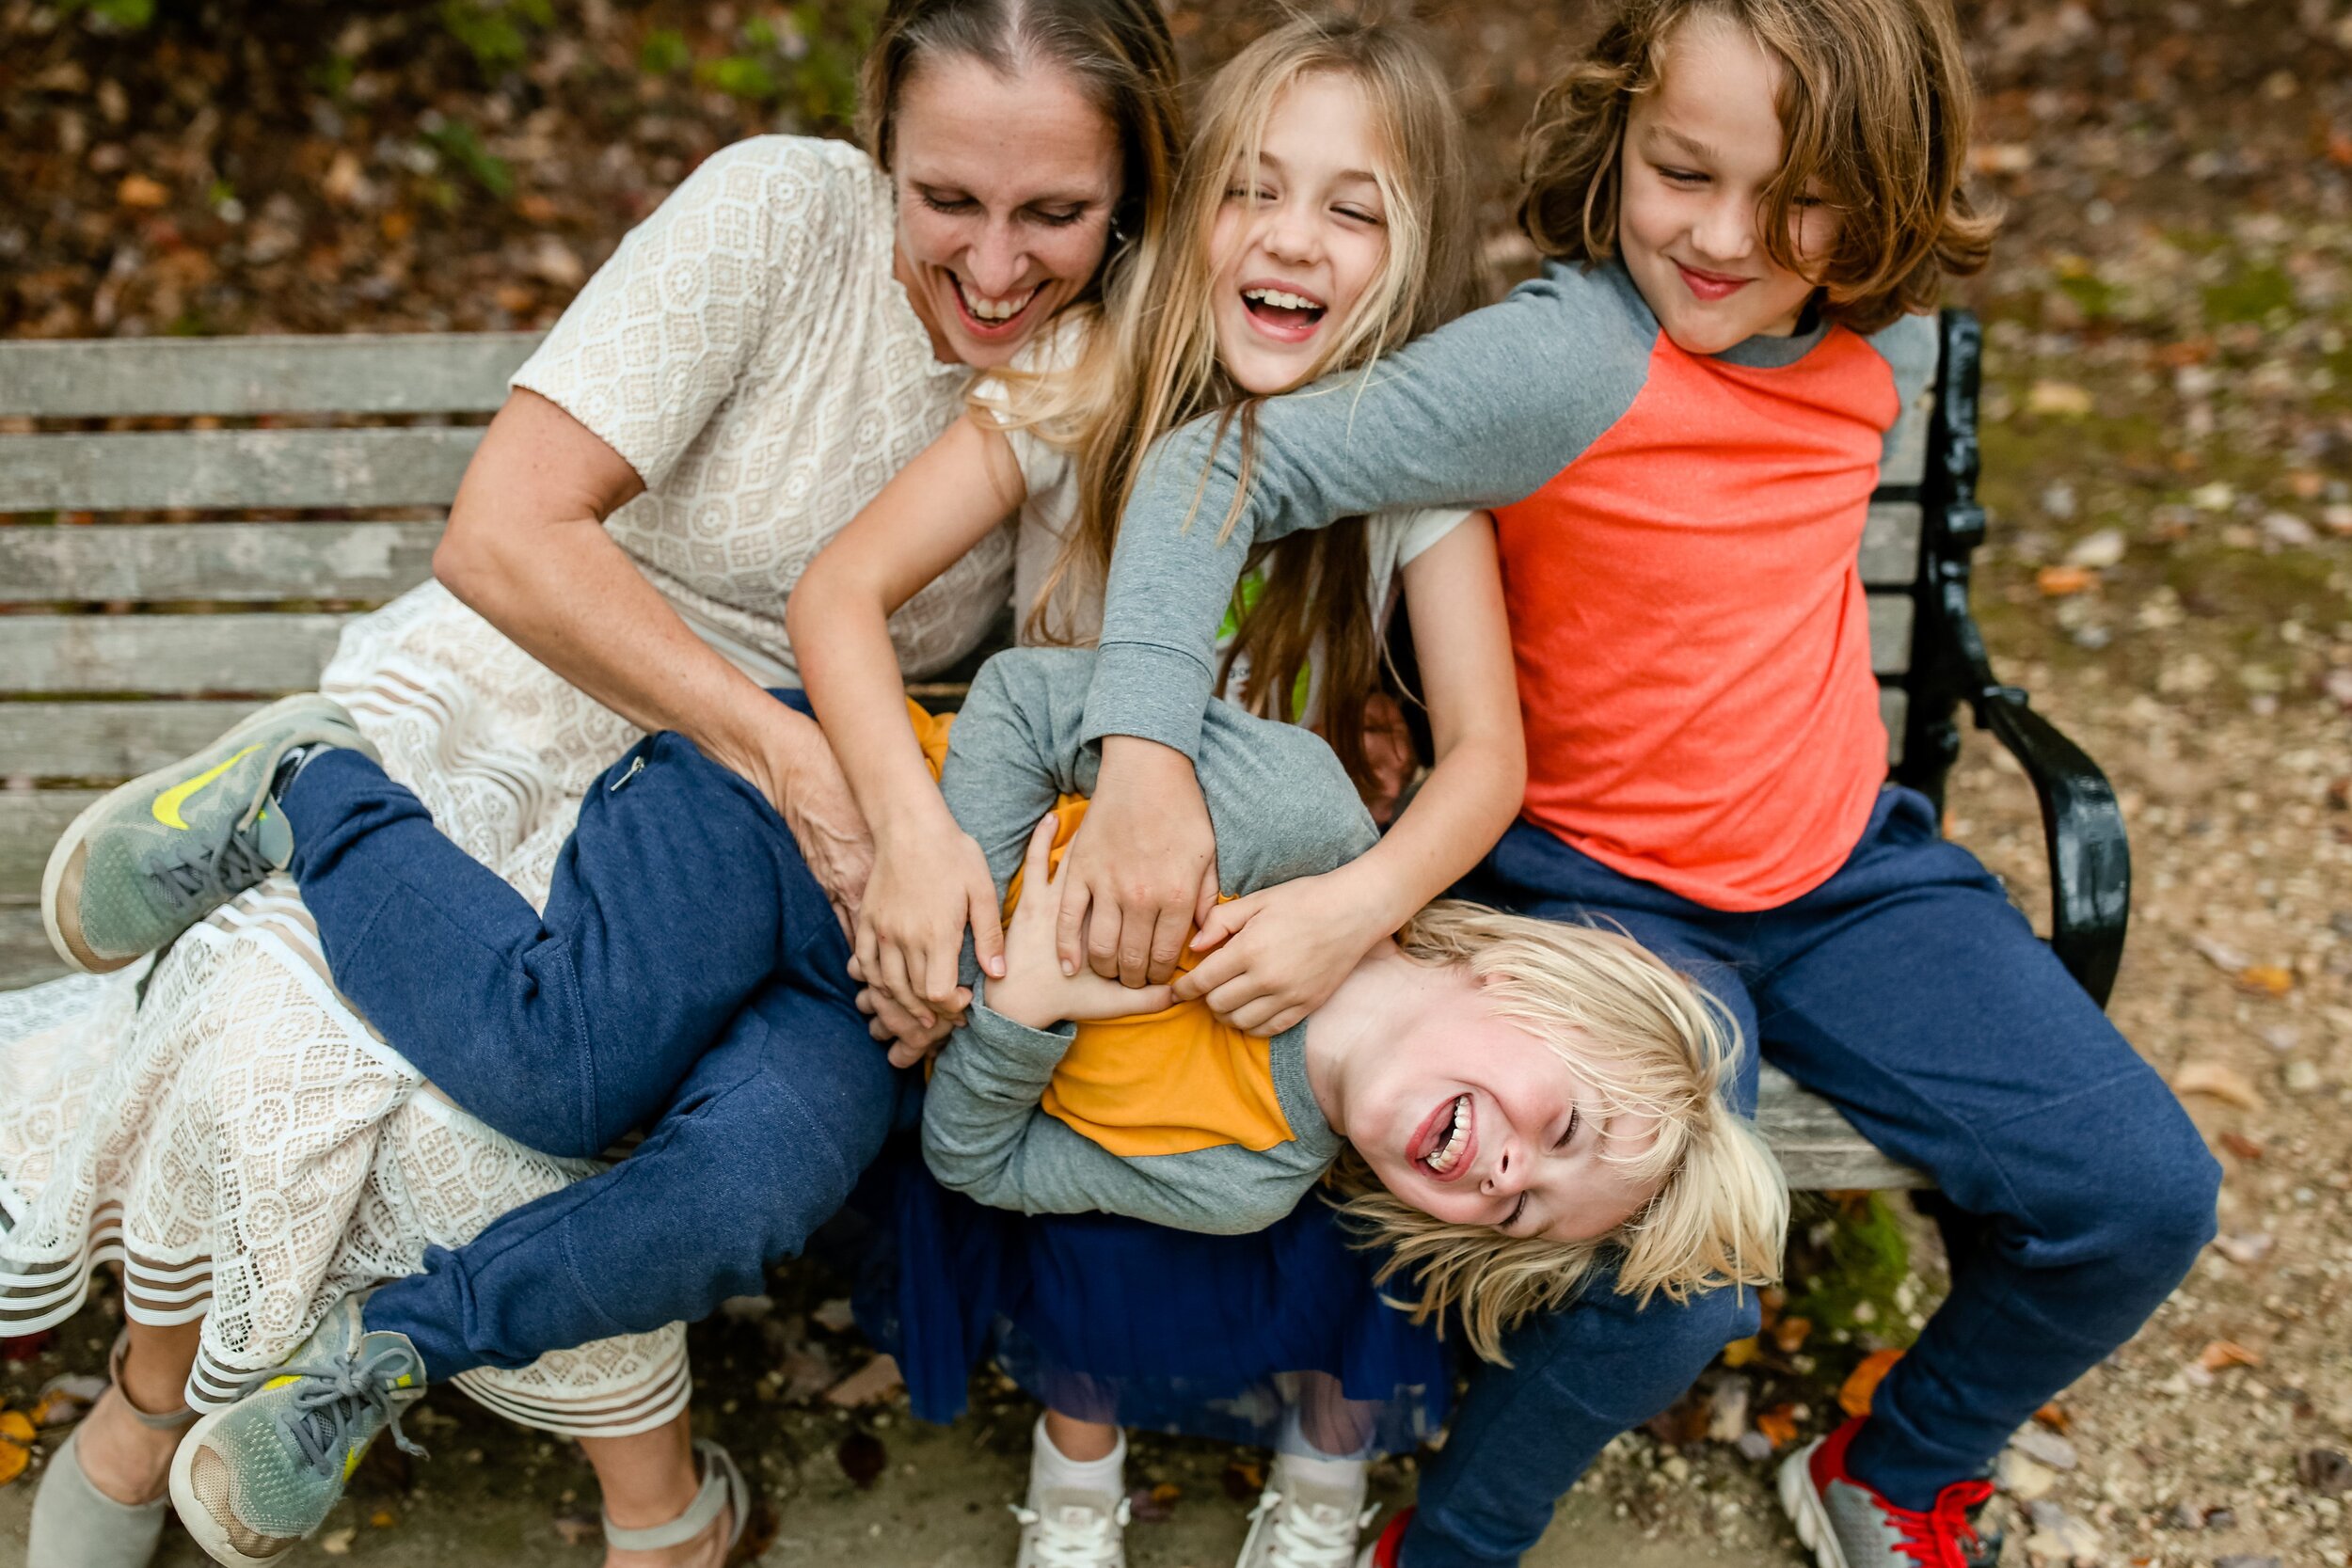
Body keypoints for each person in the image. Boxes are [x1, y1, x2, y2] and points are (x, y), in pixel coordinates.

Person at [1032, 2, 2226, 1567]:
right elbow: (1215, 469)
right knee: (1679, 1285)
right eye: (1682, 169)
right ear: (1620, 140)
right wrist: (1143, 770)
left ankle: (1897, 1461)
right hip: (1603, 907)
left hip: (1843, 874)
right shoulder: (1562, 355)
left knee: (2146, 1195)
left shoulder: (1850, 350)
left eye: (1797, 195)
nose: (1726, 236)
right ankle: (1453, 1545)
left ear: (1881, 198)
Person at [8, 2, 1182, 1564]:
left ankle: (454, 1402)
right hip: (541, 708)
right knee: (346, 1049)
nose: (992, 265)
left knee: (762, 1162)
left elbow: (1051, 706)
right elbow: (502, 536)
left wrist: (939, 926)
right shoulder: (778, 212)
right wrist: (795, 761)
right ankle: (153, 1405)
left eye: (1056, 213)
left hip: (818, 835)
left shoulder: (1106, 358)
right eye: (946, 199)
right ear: (880, 146)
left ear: (1132, 196)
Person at [789, 18, 1527, 1566]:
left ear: (1416, 250)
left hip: (1269, 930)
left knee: (1353, 1144)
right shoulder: (1090, 376)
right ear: (1183, 212)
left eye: (1353, 206)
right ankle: (1076, 1475)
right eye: (1251, 188)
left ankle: (1323, 1486)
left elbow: (1487, 760)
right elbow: (841, 596)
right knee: (1069, 1160)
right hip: (1056, 912)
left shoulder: (1406, 463)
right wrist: (928, 858)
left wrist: (1356, 911)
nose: (1290, 238)